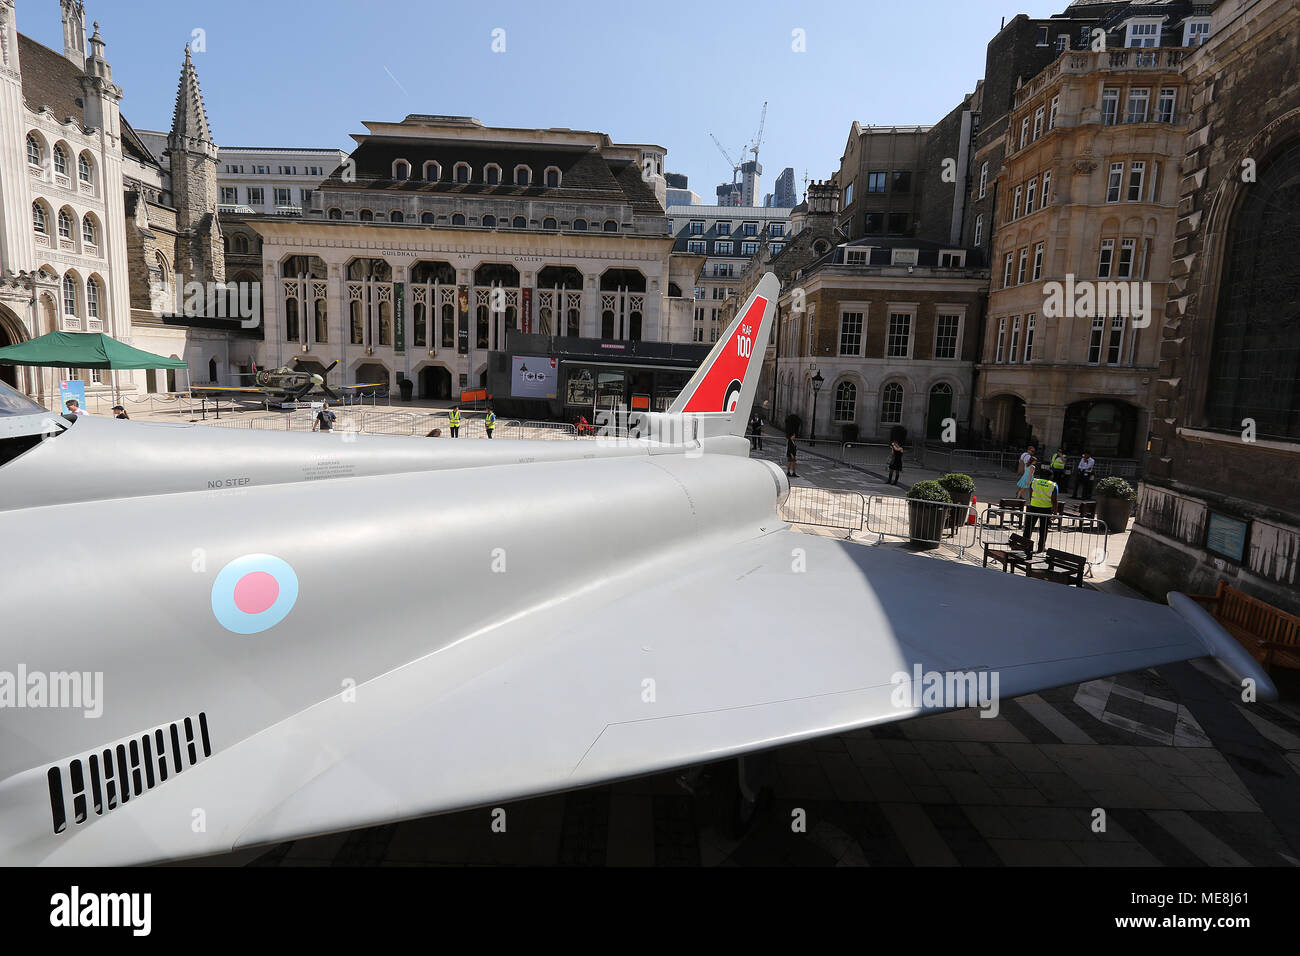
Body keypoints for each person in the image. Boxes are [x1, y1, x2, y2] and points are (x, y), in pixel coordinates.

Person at [1025, 464, 1060, 553]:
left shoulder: (1034, 482)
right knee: (1043, 530)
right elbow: (1054, 500)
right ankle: (1041, 548)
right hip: (1046, 509)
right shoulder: (1053, 485)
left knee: (1028, 528)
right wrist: (1055, 513)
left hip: (1033, 507)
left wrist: (1032, 502)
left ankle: (1025, 546)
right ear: (1051, 477)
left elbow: (1030, 493)